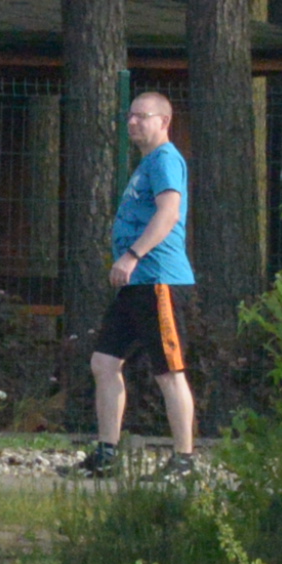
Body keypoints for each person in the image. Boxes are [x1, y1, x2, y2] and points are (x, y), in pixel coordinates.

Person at [82, 92, 201, 479]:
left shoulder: (166, 160)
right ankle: (107, 454)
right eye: (130, 116)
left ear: (164, 121)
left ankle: (183, 460)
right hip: (135, 285)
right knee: (104, 363)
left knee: (169, 372)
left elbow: (169, 213)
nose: (133, 123)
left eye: (142, 116)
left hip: (158, 280)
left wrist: (132, 255)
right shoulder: (146, 164)